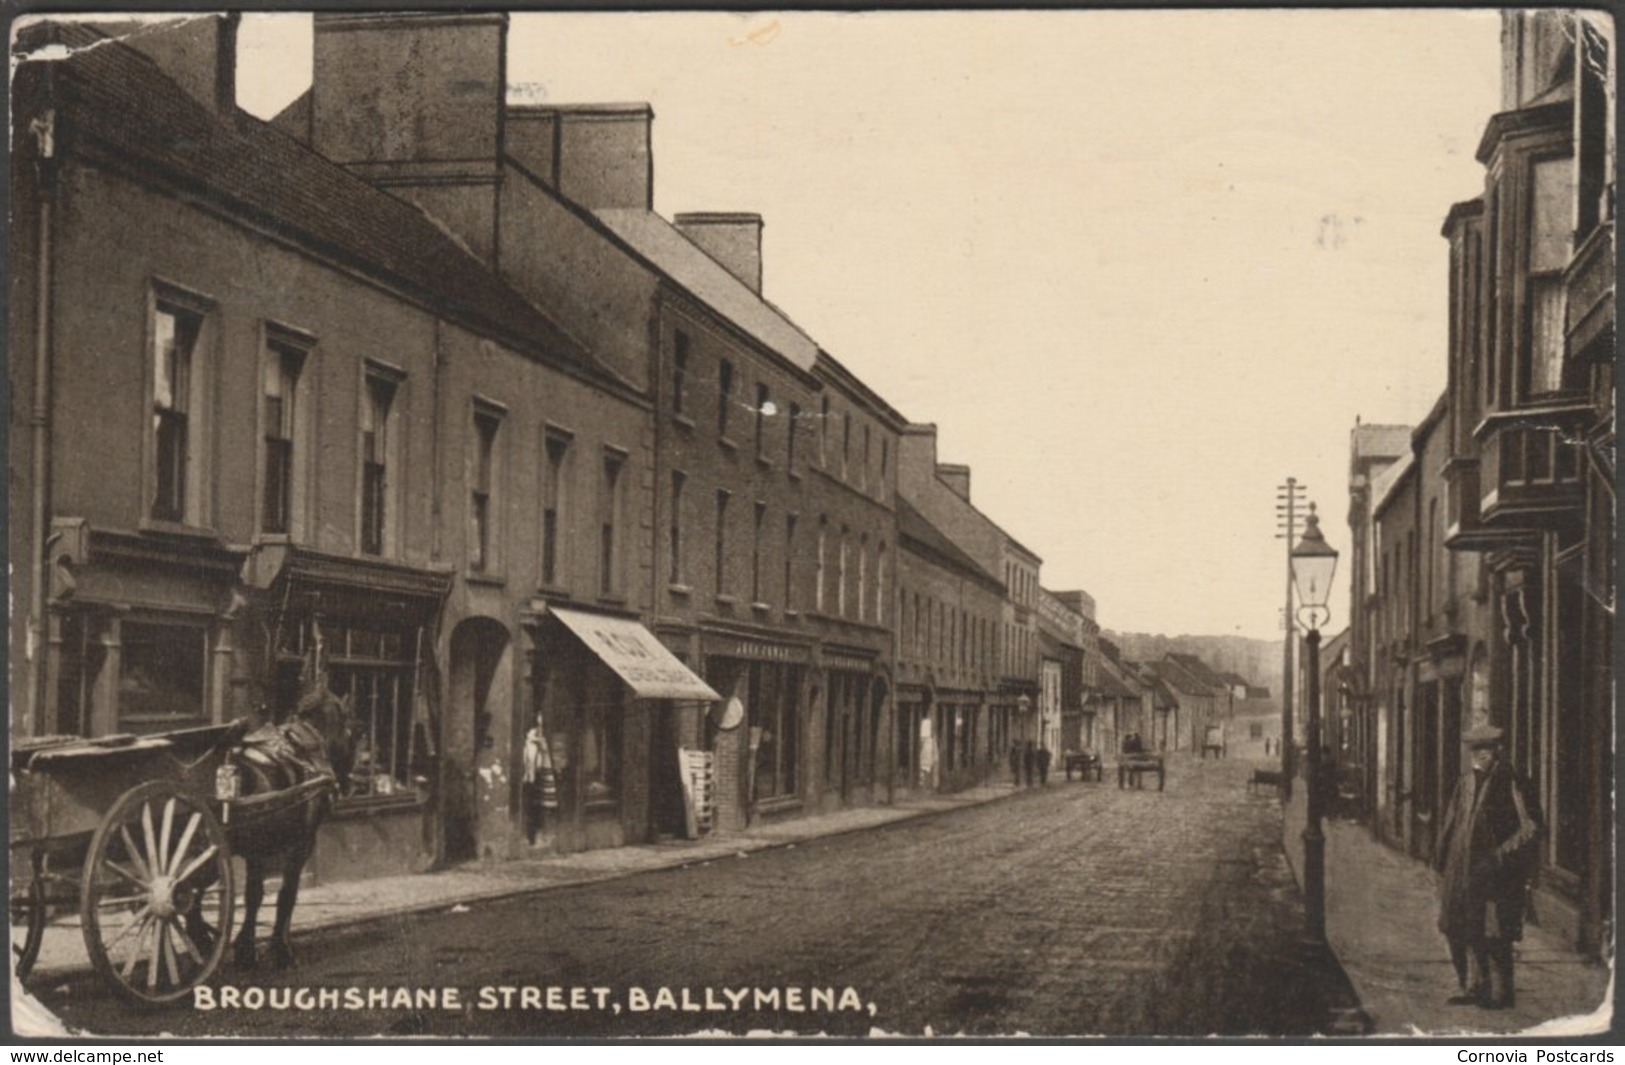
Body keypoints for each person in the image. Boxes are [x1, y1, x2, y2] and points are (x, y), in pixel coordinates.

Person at [1433, 724, 1543, 1010]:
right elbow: (1452, 820)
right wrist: (1441, 857)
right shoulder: (1466, 782)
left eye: (1486, 749)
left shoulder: (1512, 781)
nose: (1480, 755)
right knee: (1460, 927)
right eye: (1475, 749)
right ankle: (1473, 986)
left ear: (1498, 752)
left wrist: (1500, 856)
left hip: (1497, 872)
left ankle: (1501, 993)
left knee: (1495, 931)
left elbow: (1531, 825)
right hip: (1462, 868)